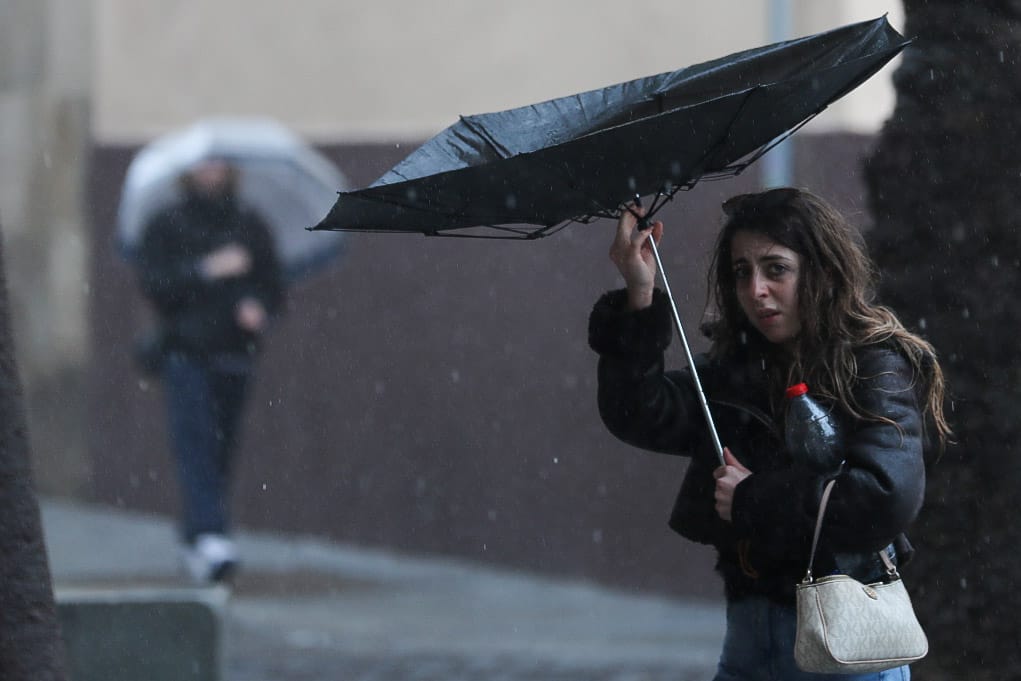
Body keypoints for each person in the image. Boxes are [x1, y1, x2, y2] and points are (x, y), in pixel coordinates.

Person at [587, 187, 951, 680]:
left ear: (818, 271)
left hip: (845, 647)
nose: (756, 289)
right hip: (748, 643)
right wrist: (639, 293)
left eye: (775, 268)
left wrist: (752, 498)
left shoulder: (873, 365)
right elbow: (638, 412)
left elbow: (884, 496)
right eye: (742, 272)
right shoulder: (738, 369)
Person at [136, 158, 284, 584]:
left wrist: (258, 306)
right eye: (204, 164)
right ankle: (211, 535)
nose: (211, 173)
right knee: (195, 443)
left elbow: (272, 283)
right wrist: (204, 270)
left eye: (218, 164)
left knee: (221, 448)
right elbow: (154, 283)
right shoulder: (168, 223)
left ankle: (196, 536)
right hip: (186, 353)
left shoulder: (249, 223)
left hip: (235, 354)